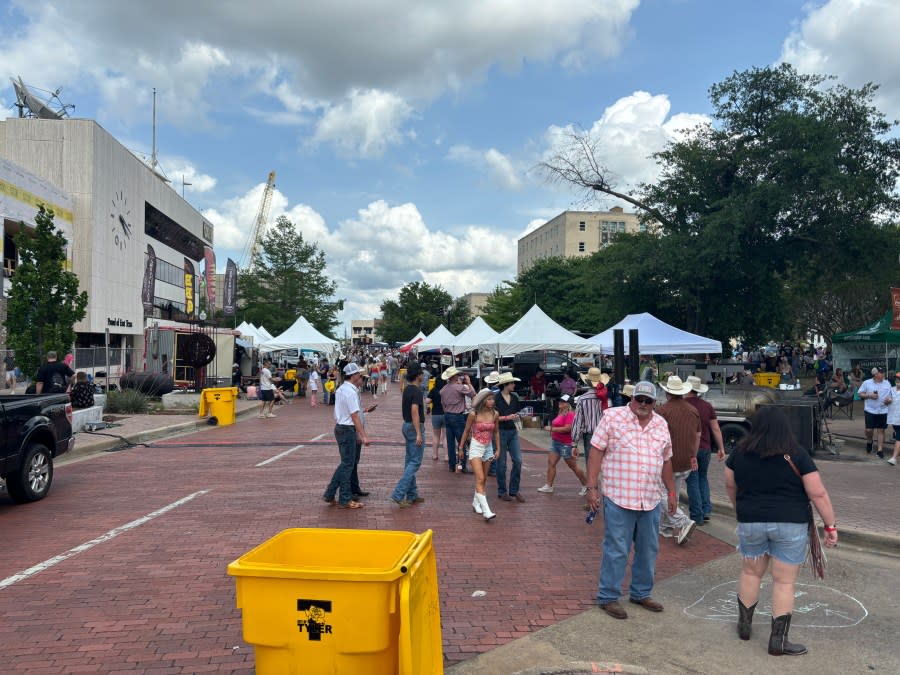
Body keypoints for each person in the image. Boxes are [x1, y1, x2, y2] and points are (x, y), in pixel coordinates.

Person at [724, 406, 838, 655]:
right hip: (790, 523)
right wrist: (830, 525)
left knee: (751, 573)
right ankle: (778, 641)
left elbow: (730, 484)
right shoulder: (797, 453)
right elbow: (817, 492)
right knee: (784, 581)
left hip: (750, 521)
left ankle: (744, 627)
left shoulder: (739, 453)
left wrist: (739, 509)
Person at [585, 380, 677, 620]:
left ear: (655, 402)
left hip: (650, 498)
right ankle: (608, 596)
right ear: (632, 398)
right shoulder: (613, 417)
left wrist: (672, 491)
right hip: (619, 496)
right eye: (639, 399)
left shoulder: (661, 424)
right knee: (616, 548)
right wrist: (592, 487)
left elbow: (666, 460)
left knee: (649, 549)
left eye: (648, 401)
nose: (643, 404)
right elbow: (596, 451)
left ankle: (640, 592)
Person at [655, 375, 700, 545]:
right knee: (674, 492)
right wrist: (693, 456)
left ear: (667, 392)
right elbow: (697, 435)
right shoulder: (693, 410)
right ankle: (666, 527)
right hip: (686, 458)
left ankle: (682, 521)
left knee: (662, 493)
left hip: (667, 460)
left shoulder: (662, 411)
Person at [322, 363, 372, 509]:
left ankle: (331, 493)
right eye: (358, 374)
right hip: (347, 428)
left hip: (341, 427)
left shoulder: (342, 389)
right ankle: (344, 497)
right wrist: (364, 435)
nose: (360, 376)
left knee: (346, 463)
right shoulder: (350, 392)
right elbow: (354, 415)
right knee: (347, 464)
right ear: (354, 375)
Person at [684, 375, 725, 526]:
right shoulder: (707, 406)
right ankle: (706, 509)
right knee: (703, 477)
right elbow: (715, 428)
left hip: (690, 448)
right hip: (706, 447)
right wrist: (721, 448)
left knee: (692, 480)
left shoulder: (683, 405)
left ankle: (697, 515)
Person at [458, 388, 501, 519]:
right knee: (480, 478)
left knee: (483, 479)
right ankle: (486, 510)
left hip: (488, 447)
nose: (492, 401)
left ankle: (476, 502)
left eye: (493, 399)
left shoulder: (495, 414)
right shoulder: (473, 414)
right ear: (483, 400)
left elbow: (496, 432)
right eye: (489, 399)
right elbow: (466, 431)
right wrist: (460, 448)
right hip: (476, 446)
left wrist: (498, 449)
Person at [537, 394, 589, 495]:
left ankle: (586, 485)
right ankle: (549, 486)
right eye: (560, 401)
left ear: (568, 404)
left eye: (563, 402)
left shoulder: (570, 414)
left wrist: (551, 429)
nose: (560, 403)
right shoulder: (560, 412)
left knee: (573, 466)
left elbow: (568, 428)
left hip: (566, 444)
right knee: (551, 463)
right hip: (556, 442)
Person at [391, 363, 426, 507]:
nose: (423, 376)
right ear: (418, 375)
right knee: (415, 462)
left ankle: (412, 493)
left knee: (409, 460)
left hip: (406, 425)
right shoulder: (417, 391)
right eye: (422, 374)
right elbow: (414, 411)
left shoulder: (407, 389)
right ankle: (399, 493)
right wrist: (419, 432)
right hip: (414, 426)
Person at [493, 372, 524, 502]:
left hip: (512, 431)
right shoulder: (495, 398)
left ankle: (514, 489)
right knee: (501, 464)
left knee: (518, 460)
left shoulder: (515, 397)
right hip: (499, 431)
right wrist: (506, 417)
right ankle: (502, 491)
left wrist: (518, 419)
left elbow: (517, 412)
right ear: (506, 385)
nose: (514, 385)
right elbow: (491, 417)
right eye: (512, 383)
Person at [440, 366, 475, 473]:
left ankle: (452, 466)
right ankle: (461, 466)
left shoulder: (443, 389)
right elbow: (473, 394)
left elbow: (442, 404)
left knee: (450, 442)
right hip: (457, 416)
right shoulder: (459, 387)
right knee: (461, 442)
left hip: (447, 415)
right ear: (454, 376)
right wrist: (468, 382)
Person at [858, 366, 893, 458]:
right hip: (870, 410)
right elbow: (860, 393)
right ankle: (869, 441)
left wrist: (889, 400)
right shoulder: (867, 383)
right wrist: (870, 395)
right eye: (881, 372)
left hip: (883, 410)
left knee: (881, 430)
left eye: (883, 372)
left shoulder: (887, 383)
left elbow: (890, 396)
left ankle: (880, 450)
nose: (883, 374)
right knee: (869, 430)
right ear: (875, 374)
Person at [572, 368, 608, 455]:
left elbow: (578, 422)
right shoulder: (606, 399)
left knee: (591, 465)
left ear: (587, 382)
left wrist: (574, 443)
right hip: (604, 436)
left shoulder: (582, 399)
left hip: (590, 436)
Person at [427, 375, 446, 461]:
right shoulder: (446, 390)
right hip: (446, 414)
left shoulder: (433, 390)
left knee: (436, 436)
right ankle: (447, 456)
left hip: (435, 414)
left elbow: (427, 401)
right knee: (445, 437)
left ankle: (435, 455)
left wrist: (432, 400)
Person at [886, 372, 900, 466]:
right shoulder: (891, 390)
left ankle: (894, 458)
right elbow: (886, 401)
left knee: (899, 438)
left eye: (899, 379)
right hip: (894, 419)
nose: (897, 381)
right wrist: (887, 400)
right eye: (896, 379)